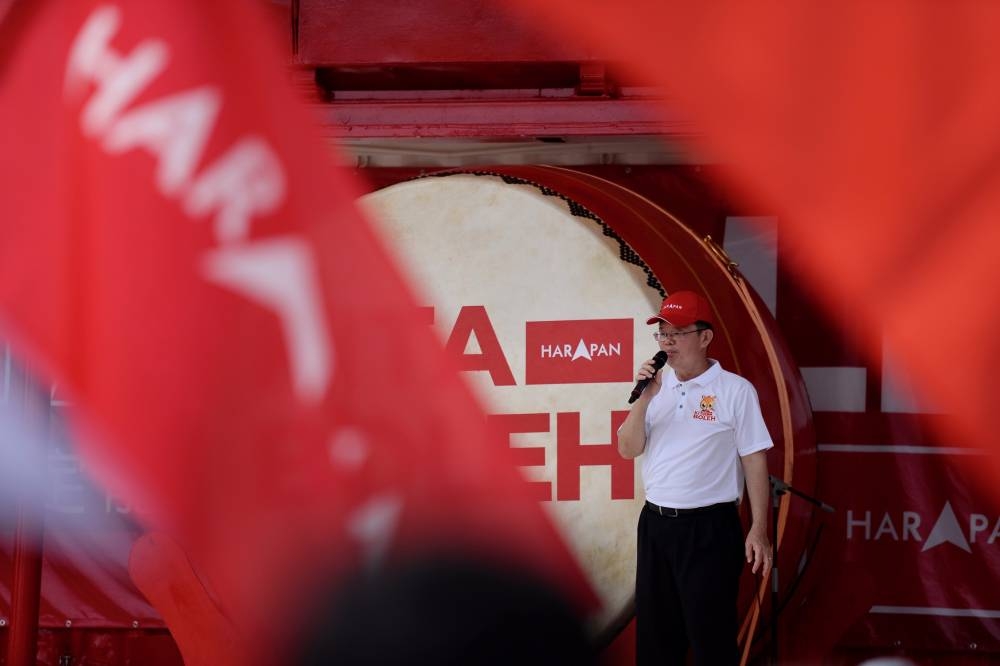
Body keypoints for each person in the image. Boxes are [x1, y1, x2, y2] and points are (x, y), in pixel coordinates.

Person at [617, 290, 772, 665]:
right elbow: (627, 448)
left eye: (678, 333)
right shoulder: (655, 388)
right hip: (655, 524)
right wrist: (643, 401)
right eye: (662, 334)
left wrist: (759, 528)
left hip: (709, 529)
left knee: (711, 639)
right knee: (655, 639)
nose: (667, 343)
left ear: (705, 337)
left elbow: (754, 461)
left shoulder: (735, 391)